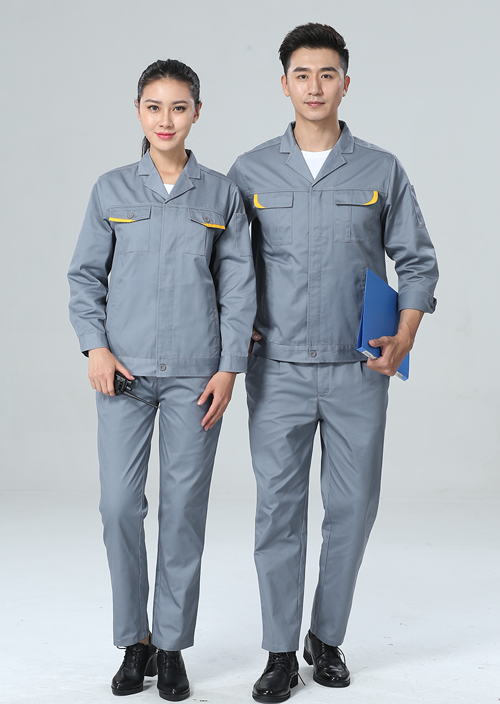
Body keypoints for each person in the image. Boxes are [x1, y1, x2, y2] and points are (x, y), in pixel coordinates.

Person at [228, 23, 438, 702]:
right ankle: (279, 653)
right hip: (278, 370)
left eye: (327, 74)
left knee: (352, 508)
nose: (314, 86)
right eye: (302, 74)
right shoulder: (250, 172)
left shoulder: (381, 169)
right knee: (278, 514)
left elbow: (418, 260)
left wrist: (405, 334)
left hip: (358, 370)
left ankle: (326, 635)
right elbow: (226, 268)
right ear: (284, 83)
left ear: (346, 82)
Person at [68, 59, 256, 701]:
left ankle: (171, 645)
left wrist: (229, 367)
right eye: (154, 107)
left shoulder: (221, 194)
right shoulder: (111, 189)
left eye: (179, 107)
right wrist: (95, 346)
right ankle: (135, 640)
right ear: (139, 112)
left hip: (196, 378)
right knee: (119, 507)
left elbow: (238, 287)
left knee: (182, 512)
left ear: (196, 113)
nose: (166, 119)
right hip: (122, 374)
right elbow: (85, 275)